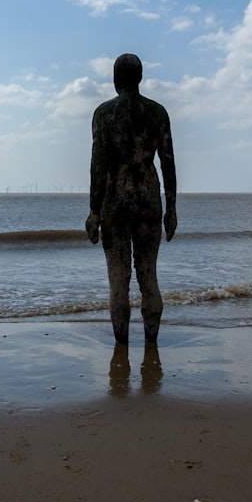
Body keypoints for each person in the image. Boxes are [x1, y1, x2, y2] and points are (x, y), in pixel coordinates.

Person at [86, 53, 177, 345]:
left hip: (115, 200)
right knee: (148, 274)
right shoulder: (157, 112)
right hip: (149, 198)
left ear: (116, 79)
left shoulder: (104, 113)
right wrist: (172, 209)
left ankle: (122, 344)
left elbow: (98, 165)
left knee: (119, 278)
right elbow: (168, 162)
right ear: (139, 78)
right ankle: (151, 341)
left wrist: (93, 211)